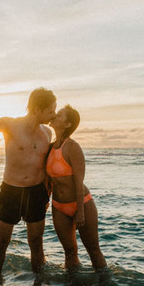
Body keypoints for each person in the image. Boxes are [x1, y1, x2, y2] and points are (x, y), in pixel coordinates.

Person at [0, 80, 57, 281]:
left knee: (36, 242)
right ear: (37, 109)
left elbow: (48, 165)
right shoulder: (9, 125)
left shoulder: (47, 133)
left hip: (36, 193)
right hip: (11, 191)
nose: (54, 115)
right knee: (2, 241)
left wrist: (48, 189)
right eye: (50, 111)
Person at [47, 105, 107, 272]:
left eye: (59, 115)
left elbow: (79, 181)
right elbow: (49, 181)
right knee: (69, 252)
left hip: (82, 204)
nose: (54, 116)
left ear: (67, 124)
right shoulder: (50, 148)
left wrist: (80, 211)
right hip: (59, 206)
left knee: (93, 250)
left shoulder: (72, 147)